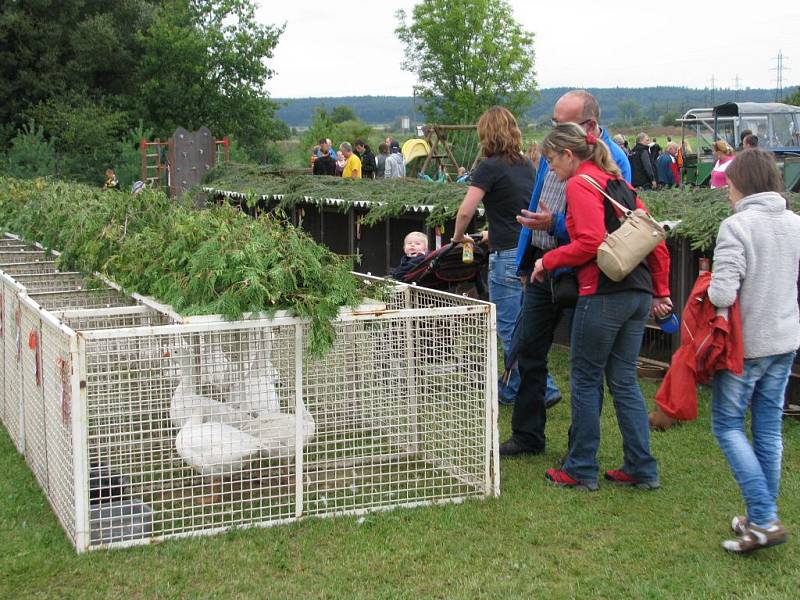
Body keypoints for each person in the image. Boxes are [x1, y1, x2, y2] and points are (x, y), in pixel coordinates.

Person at [532, 122, 671, 490]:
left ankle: (580, 468)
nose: (552, 170)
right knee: (624, 381)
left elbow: (590, 242)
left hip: (604, 292)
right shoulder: (620, 185)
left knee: (586, 378)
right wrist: (660, 290)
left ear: (568, 154)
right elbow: (655, 239)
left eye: (551, 161)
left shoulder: (580, 183)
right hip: (637, 293)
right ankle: (641, 467)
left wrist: (547, 261)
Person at [504, 90, 632, 457]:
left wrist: (555, 223)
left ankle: (581, 450)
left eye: (562, 123)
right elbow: (538, 199)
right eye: (554, 123)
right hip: (544, 266)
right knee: (529, 350)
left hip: (584, 273)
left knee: (585, 366)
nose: (554, 130)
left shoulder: (614, 160)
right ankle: (527, 437)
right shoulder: (555, 150)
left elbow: (607, 226)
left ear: (589, 125)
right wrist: (528, 258)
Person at [706, 148, 800, 553]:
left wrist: (710, 284)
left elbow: (723, 292)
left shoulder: (736, 226)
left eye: (729, 183)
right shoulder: (795, 223)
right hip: (785, 339)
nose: (727, 191)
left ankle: (762, 517)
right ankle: (762, 515)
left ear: (739, 183)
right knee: (766, 428)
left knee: (727, 424)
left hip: (748, 346)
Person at [450, 106, 532, 407]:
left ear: (486, 134)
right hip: (528, 252)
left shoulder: (488, 166)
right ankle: (521, 385)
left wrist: (459, 238)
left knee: (509, 327)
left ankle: (537, 388)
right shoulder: (526, 164)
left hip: (506, 258)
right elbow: (519, 210)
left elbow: (465, 210)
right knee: (527, 327)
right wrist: (490, 233)